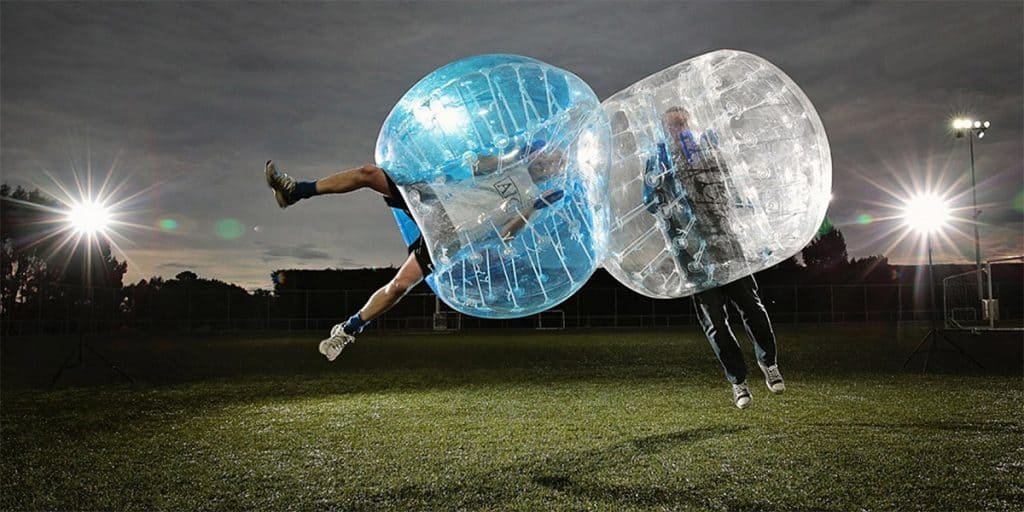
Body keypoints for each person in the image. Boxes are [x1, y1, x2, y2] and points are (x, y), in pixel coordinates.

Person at [265, 141, 562, 361]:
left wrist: (536, 209)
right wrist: (515, 152)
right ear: (542, 154)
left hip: (449, 236)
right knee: (368, 174)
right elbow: (476, 166)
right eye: (550, 157)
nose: (549, 163)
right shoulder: (513, 163)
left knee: (400, 286)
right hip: (434, 201)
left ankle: (348, 329)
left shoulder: (533, 199)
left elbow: (506, 236)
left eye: (555, 166)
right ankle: (296, 191)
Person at [648, 106, 785, 408]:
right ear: (664, 129)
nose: (679, 128)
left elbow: (734, 187)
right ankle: (739, 383)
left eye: (682, 122)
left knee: (753, 306)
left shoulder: (707, 149)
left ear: (690, 123)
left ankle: (769, 363)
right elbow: (652, 202)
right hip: (694, 254)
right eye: (672, 125)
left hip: (728, 244)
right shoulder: (660, 158)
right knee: (716, 323)